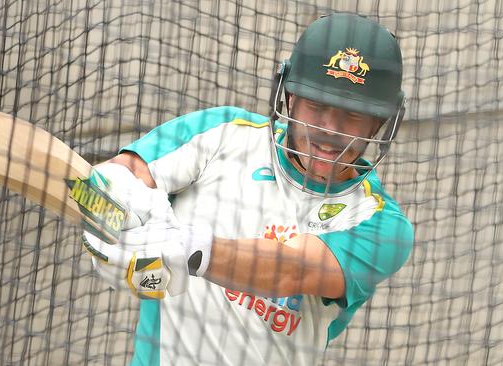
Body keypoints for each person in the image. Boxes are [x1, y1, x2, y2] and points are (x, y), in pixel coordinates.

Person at [82, 13, 414, 366]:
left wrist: (187, 247)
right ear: (289, 96)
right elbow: (120, 176)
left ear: (380, 122)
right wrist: (113, 223)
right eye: (316, 106)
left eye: (353, 115)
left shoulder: (382, 225)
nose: (329, 130)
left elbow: (293, 269)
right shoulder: (223, 134)